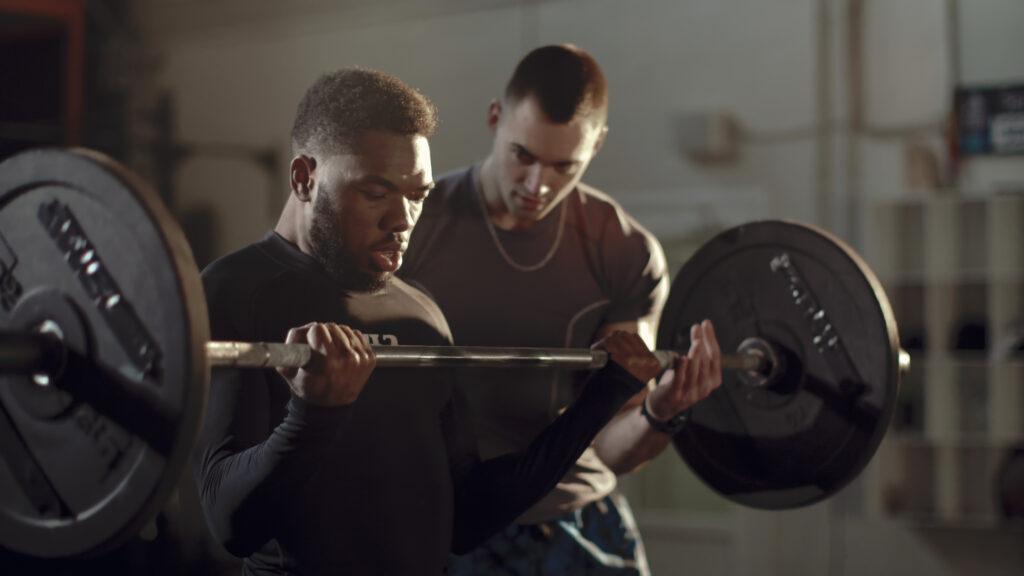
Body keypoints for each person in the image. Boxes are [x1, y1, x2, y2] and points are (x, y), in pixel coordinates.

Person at [193, 67, 676, 576]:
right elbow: (232, 527)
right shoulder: (236, 292)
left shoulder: (419, 313)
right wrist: (314, 414)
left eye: (417, 195)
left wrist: (603, 396)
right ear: (304, 178)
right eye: (376, 193)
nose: (402, 221)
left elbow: (466, 517)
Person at [400, 44, 723, 574]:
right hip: (441, 522)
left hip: (574, 524)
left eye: (562, 165)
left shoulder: (624, 252)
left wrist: (661, 414)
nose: (537, 185)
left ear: (596, 146)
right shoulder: (415, 224)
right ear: (494, 118)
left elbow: (617, 448)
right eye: (522, 155)